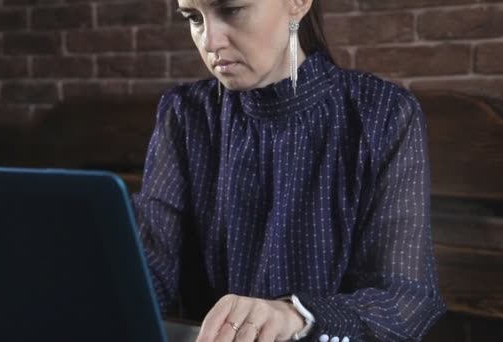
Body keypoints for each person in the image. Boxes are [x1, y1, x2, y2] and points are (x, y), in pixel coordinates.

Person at [132, 0, 447, 341]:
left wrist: (296, 315)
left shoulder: (384, 113)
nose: (209, 42)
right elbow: (149, 268)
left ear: (297, 3)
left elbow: (405, 299)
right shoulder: (184, 114)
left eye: (231, 10)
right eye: (194, 18)